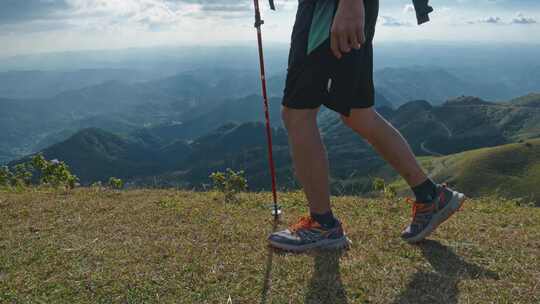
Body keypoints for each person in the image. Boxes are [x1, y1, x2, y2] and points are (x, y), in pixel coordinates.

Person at [268, 0, 466, 252]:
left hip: (329, 9)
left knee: (297, 114)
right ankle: (430, 196)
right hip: (342, 9)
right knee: (357, 114)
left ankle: (322, 224)